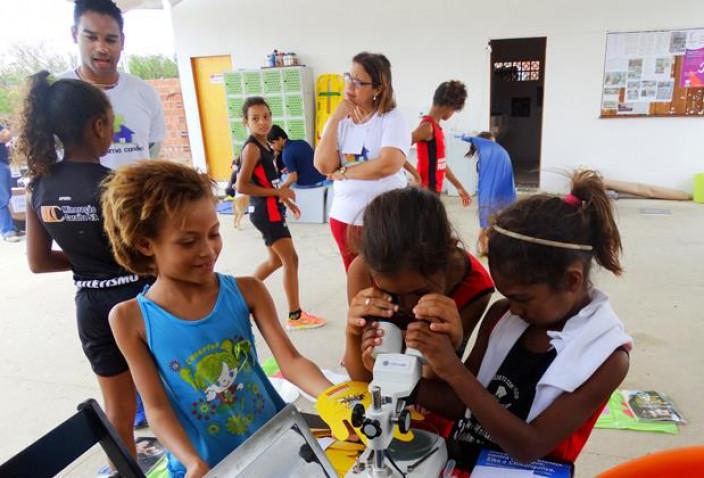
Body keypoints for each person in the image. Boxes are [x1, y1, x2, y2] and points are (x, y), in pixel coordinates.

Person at [101, 160, 333, 477]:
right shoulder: (130, 319)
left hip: (272, 443)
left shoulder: (248, 291)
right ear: (145, 244)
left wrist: (332, 396)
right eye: (188, 241)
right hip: (203, 466)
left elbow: (290, 361)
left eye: (213, 234)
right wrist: (193, 461)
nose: (208, 250)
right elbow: (155, 408)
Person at [406, 170, 631, 470]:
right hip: (463, 462)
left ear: (571, 280)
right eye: (506, 296)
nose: (512, 309)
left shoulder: (607, 357)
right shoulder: (502, 317)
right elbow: (464, 404)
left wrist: (453, 371)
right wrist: (393, 379)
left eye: (522, 299)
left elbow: (529, 446)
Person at [15, 71, 151, 458]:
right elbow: (149, 252)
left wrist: (85, 261)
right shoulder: (118, 185)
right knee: (169, 395)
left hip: (90, 308)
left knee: (119, 409)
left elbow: (38, 262)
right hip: (138, 300)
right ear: (99, 125)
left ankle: (124, 467)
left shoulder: (38, 186)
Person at [344, 187, 494, 382]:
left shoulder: (474, 288)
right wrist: (353, 333)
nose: (407, 307)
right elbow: (361, 379)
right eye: (390, 296)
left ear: (447, 256)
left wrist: (448, 346)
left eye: (420, 293)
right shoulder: (362, 270)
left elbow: (434, 386)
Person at [314, 52, 410, 271]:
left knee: (389, 281)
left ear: (378, 89)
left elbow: (388, 164)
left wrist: (345, 173)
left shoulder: (392, 118)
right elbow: (323, 166)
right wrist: (334, 119)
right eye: (349, 78)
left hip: (385, 221)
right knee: (356, 283)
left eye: (358, 83)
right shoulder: (342, 121)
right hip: (344, 218)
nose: (349, 87)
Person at [236, 97, 326, 330]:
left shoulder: (267, 146)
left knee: (275, 260)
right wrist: (277, 192)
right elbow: (241, 186)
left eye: (266, 116)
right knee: (290, 259)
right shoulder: (252, 148)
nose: (262, 122)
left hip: (272, 208)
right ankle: (295, 315)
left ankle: (238, 297)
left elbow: (271, 181)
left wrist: (285, 199)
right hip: (265, 211)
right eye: (255, 118)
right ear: (246, 122)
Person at [60, 0, 165, 169]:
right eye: (91, 38)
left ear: (122, 41)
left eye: (110, 40)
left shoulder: (144, 93)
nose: (101, 47)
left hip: (134, 195)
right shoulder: (57, 92)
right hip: (74, 195)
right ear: (74, 34)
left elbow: (152, 149)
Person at [404, 81, 472, 205]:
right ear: (448, 105)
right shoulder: (427, 127)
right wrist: (416, 175)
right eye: (454, 109)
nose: (452, 114)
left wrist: (459, 187)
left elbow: (441, 163)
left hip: (434, 192)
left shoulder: (437, 128)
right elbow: (396, 151)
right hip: (425, 194)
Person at [461, 131, 517, 256]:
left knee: (493, 228)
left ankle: (486, 251)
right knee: (487, 230)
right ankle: (485, 252)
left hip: (499, 198)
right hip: (492, 200)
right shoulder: (486, 160)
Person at [1, 122, 23, 242]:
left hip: (3, 162)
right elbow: (5, 136)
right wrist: (5, 132)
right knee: (2, 198)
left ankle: (10, 226)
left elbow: (7, 136)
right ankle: (7, 230)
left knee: (7, 195)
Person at [224, 156, 249, 230]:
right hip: (241, 195)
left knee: (238, 213)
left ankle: (235, 224)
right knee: (240, 213)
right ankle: (237, 224)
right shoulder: (238, 172)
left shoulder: (237, 172)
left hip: (239, 195)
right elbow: (233, 185)